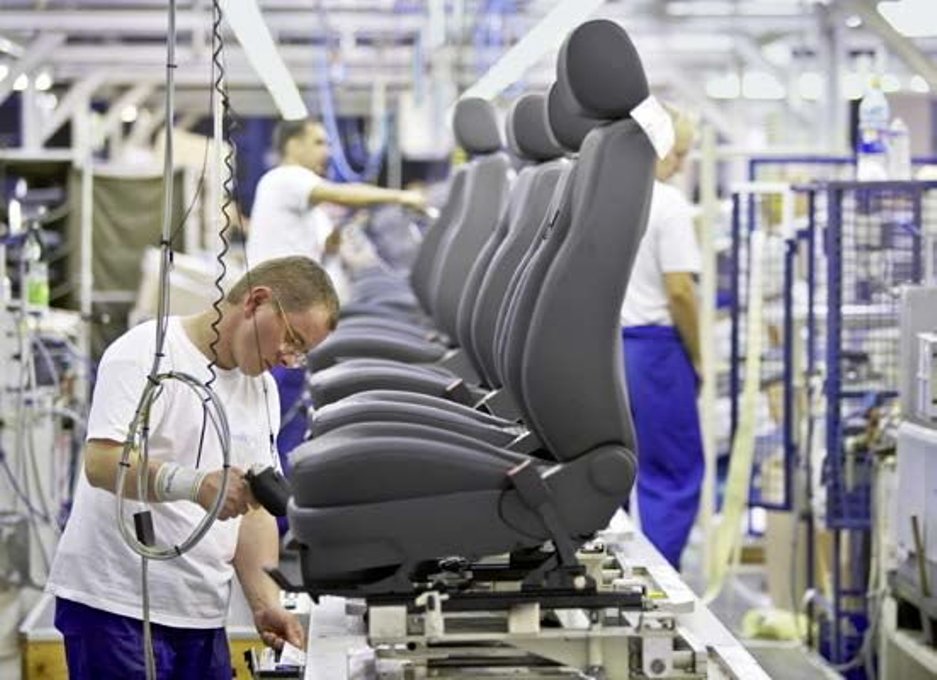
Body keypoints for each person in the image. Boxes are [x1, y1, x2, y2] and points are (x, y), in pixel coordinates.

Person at [46, 256, 339, 678]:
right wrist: (194, 485)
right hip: (118, 607)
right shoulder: (146, 353)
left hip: (200, 614)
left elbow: (253, 510)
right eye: (291, 339)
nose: (288, 359)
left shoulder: (262, 391)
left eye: (301, 354)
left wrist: (265, 602)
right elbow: (103, 463)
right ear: (256, 301)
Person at [245, 118, 426, 482]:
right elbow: (341, 194)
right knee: (274, 409)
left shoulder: (304, 202)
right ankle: (268, 486)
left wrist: (344, 226)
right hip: (279, 318)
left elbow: (324, 246)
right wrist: (401, 196)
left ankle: (283, 483)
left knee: (288, 409)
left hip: (295, 320)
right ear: (292, 145)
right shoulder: (285, 178)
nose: (327, 151)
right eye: (318, 142)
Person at [620, 106, 703, 571]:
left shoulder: (603, 197)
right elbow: (680, 291)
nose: (682, 165)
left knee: (611, 470)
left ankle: (610, 570)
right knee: (671, 473)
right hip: (655, 352)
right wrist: (699, 356)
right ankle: (658, 578)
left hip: (604, 351)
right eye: (679, 154)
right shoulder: (667, 204)